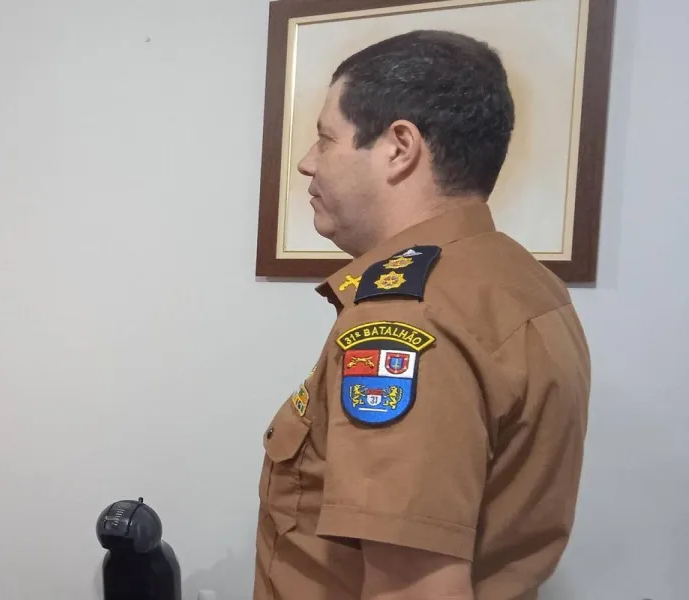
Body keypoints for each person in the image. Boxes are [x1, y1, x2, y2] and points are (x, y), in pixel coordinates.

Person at [253, 30, 591, 600]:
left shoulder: (407, 320)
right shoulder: (520, 281)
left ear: (399, 147)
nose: (308, 163)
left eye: (326, 139)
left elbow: (414, 589)